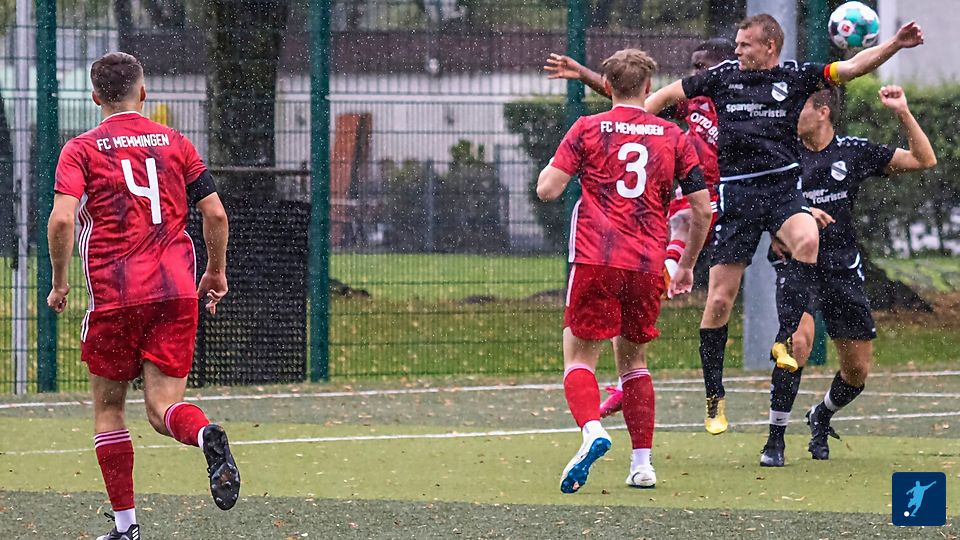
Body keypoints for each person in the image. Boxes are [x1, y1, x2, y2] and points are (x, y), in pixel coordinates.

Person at [643, 14, 924, 434]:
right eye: (737, 43)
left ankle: (786, 337)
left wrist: (896, 44)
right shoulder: (722, 77)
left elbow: (851, 67)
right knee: (718, 301)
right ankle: (714, 396)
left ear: (769, 46)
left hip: (781, 192)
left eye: (745, 45)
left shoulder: (795, 77)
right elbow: (661, 97)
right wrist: (636, 130)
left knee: (807, 238)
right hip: (738, 197)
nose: (737, 50)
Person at [45, 52, 239, 540]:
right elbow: (215, 214)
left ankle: (126, 528)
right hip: (174, 292)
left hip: (116, 295)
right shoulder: (176, 143)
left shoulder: (81, 149)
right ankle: (204, 434)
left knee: (110, 409)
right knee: (163, 409)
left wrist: (60, 281)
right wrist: (215, 271)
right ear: (143, 92)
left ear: (95, 97)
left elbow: (63, 219)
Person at [537, 48, 712, 493]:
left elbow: (547, 190)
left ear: (608, 86)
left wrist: (566, 165)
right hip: (647, 262)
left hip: (596, 257)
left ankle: (592, 430)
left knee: (579, 357)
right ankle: (642, 465)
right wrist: (687, 264)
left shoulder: (587, 128)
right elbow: (702, 209)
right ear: (649, 87)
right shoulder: (673, 136)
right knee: (634, 362)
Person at [544, 38, 736, 418]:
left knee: (686, 254)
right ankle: (629, 377)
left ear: (725, 68)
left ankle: (642, 378)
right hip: (687, 195)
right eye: (694, 66)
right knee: (665, 253)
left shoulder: (743, 105)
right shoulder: (691, 104)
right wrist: (585, 75)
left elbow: (630, 98)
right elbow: (631, 105)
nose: (696, 73)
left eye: (704, 66)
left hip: (726, 193)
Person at [758, 85, 936, 466]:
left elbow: (924, 159)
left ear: (823, 112)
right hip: (796, 265)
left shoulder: (852, 151)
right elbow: (757, 203)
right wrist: (794, 218)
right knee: (797, 344)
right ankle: (775, 439)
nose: (792, 113)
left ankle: (821, 415)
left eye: (800, 107)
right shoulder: (782, 154)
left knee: (856, 371)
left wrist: (902, 112)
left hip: (841, 267)